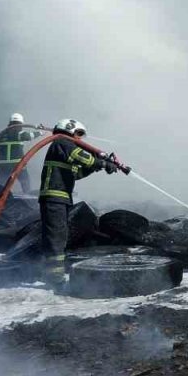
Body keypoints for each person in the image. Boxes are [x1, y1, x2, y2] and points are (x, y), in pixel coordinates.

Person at [38, 118, 121, 291]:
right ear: (70, 130)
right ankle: (54, 279)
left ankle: (53, 275)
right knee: (56, 237)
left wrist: (98, 166)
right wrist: (102, 162)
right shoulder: (61, 142)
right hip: (54, 197)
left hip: (60, 198)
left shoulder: (63, 147)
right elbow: (81, 156)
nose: (80, 139)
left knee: (59, 235)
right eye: (78, 134)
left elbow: (77, 173)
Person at [0, 113, 41, 193]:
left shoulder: (2, 134)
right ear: (21, 123)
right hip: (17, 164)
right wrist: (39, 133)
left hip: (3, 165)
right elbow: (28, 136)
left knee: (3, 183)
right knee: (25, 181)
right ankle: (27, 198)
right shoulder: (17, 133)